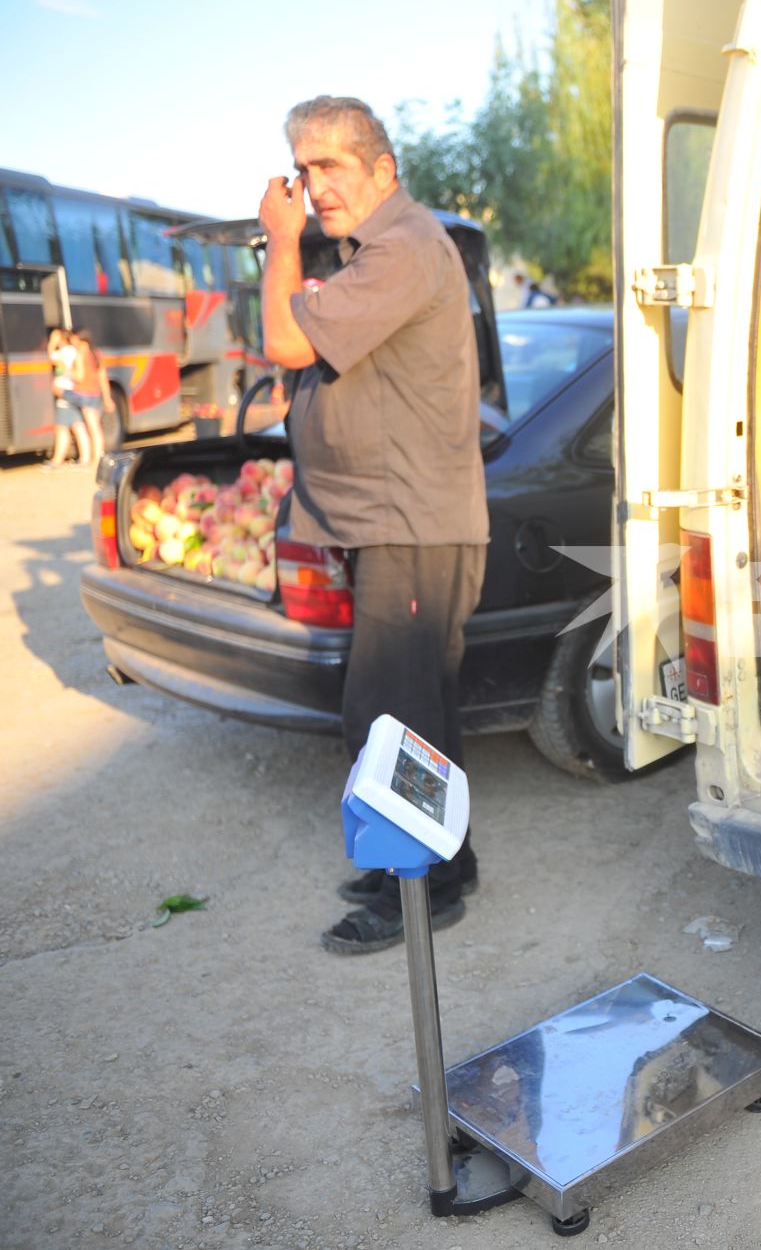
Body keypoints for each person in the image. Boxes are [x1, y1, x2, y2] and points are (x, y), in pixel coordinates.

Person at [257, 95, 488, 954]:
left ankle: (414, 894)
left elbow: (284, 341)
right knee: (422, 712)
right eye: (303, 169)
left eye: (331, 167)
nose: (314, 188)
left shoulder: (403, 247)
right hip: (399, 522)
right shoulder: (381, 251)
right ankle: (445, 866)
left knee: (390, 716)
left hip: (411, 525)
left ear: (383, 170)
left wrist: (281, 242)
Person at [44, 328, 91, 468]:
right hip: (69, 392)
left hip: (65, 393)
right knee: (74, 425)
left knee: (64, 427)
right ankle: (83, 458)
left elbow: (51, 357)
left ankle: (58, 460)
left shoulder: (67, 351)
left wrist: (51, 343)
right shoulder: (71, 351)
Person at [69, 328, 111, 457]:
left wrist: (67, 371)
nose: (71, 340)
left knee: (92, 427)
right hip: (96, 394)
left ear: (80, 339)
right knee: (96, 427)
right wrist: (107, 398)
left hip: (84, 393)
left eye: (73, 337)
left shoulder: (80, 354)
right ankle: (99, 454)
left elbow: (79, 377)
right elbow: (103, 376)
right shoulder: (96, 353)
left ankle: (97, 457)